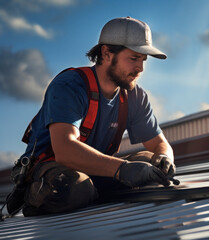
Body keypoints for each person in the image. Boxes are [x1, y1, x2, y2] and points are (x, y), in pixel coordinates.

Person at [9, 17, 176, 217]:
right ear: (106, 53)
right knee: (76, 188)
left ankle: (96, 192)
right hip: (56, 170)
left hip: (97, 171)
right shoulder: (70, 85)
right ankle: (35, 197)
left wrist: (165, 158)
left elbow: (160, 144)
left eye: (143, 60)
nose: (140, 68)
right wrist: (123, 170)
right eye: (133, 58)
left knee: (152, 166)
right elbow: (65, 150)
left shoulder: (134, 96)